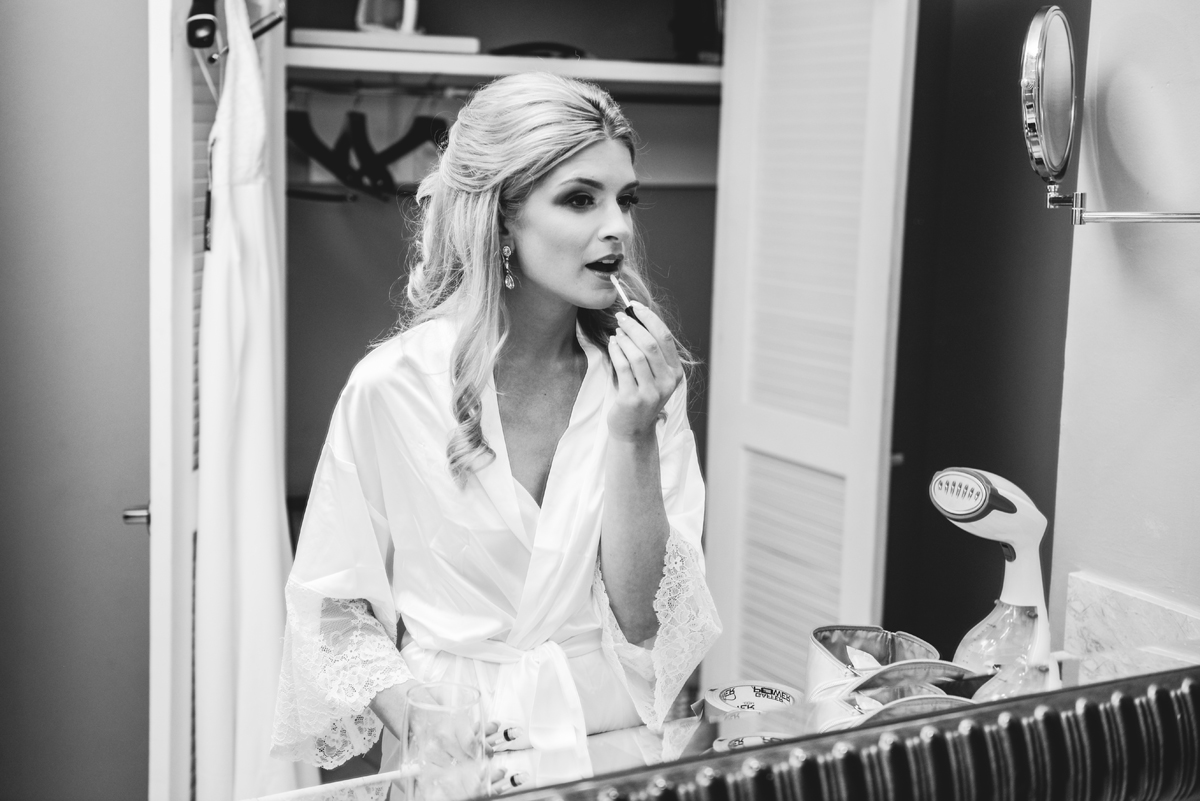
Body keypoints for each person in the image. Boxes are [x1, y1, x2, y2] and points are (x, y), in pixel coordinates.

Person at [270, 72, 721, 789]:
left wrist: (632, 435)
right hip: (462, 751)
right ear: (501, 217)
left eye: (625, 198)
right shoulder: (395, 388)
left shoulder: (643, 382)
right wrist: (420, 717)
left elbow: (647, 623)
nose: (619, 227)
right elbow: (335, 610)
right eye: (580, 198)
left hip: (609, 745)